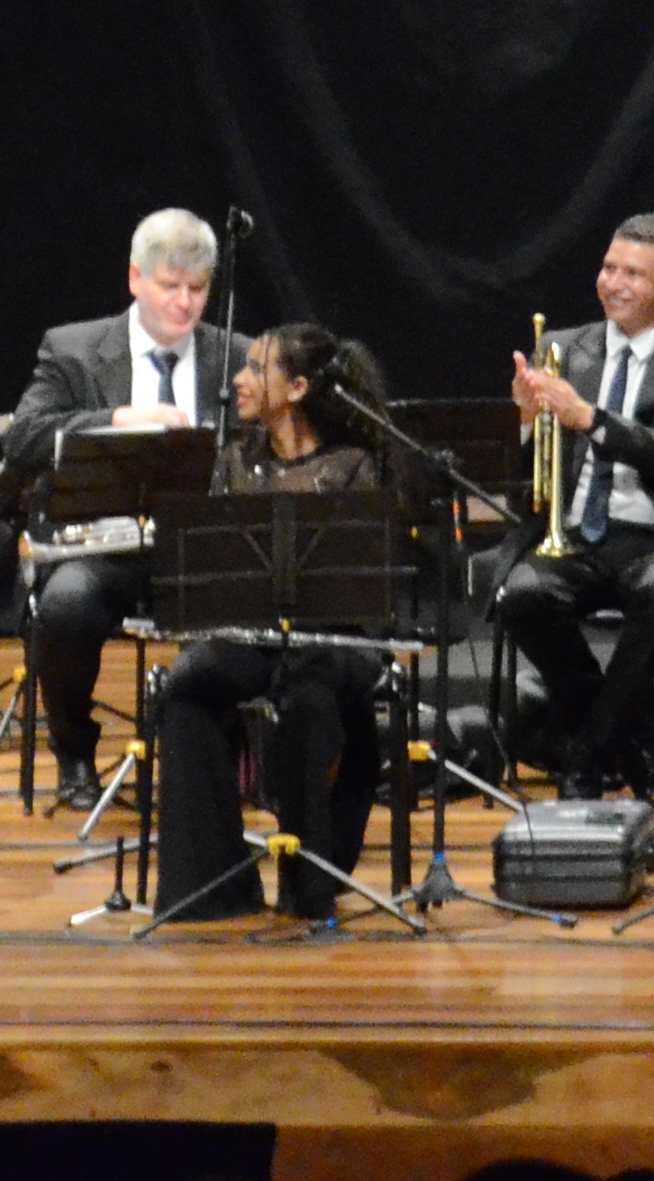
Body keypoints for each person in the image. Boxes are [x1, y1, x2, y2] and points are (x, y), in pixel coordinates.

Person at [0, 208, 249, 804]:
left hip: (198, 547)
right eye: (169, 287)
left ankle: (215, 758)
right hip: (103, 546)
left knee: (251, 594)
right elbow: (24, 439)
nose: (185, 304)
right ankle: (75, 753)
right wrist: (117, 420)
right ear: (135, 278)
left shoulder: (236, 354)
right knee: (67, 603)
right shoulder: (75, 349)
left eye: (198, 289)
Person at [152, 324, 400, 924]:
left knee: (310, 690)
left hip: (336, 638)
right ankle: (211, 885)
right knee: (186, 682)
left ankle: (308, 885)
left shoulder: (352, 465)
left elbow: (361, 587)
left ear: (297, 387)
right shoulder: (236, 460)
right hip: (257, 634)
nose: (238, 379)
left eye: (255, 369)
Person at [495, 213, 654, 797]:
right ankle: (617, 740)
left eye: (633, 273)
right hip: (570, 531)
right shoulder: (560, 347)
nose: (613, 283)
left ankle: (585, 754)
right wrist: (528, 426)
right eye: (608, 268)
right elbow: (519, 483)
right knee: (523, 596)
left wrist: (590, 420)